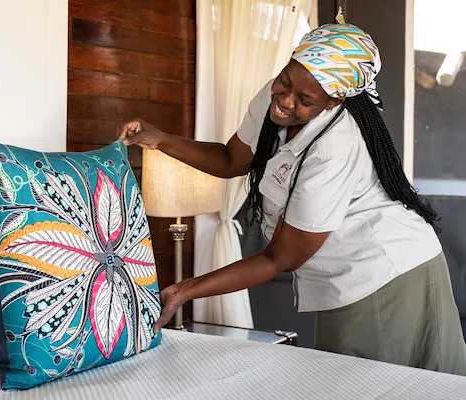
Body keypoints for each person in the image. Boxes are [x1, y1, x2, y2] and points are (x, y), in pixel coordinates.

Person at [120, 11, 466, 374]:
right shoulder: (277, 98)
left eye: (304, 99)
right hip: (344, 276)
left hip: (385, 275)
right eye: (285, 82)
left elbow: (279, 257)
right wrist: (160, 139)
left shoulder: (335, 147)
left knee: (372, 384)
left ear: (333, 101)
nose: (285, 100)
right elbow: (231, 159)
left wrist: (185, 290)